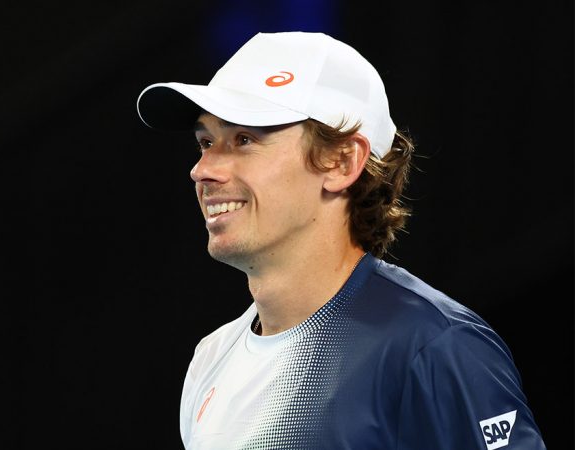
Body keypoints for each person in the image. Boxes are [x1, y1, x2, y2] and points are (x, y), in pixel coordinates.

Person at [136, 31, 546, 450]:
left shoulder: (433, 345)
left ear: (342, 161)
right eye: (206, 142)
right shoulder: (211, 360)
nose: (202, 170)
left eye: (244, 139)